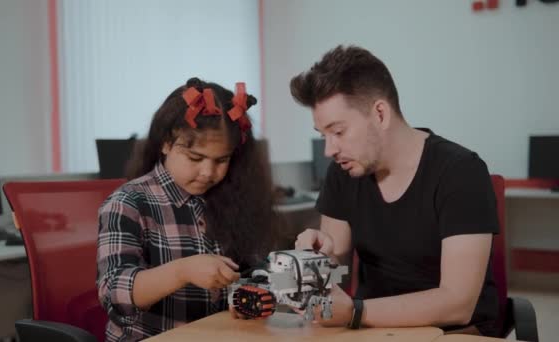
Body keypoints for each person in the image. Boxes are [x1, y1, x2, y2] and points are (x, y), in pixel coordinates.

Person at [290, 45, 500, 337]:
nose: (329, 149)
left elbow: (458, 303)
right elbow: (334, 264)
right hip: (372, 328)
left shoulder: (460, 171)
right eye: (323, 135)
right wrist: (317, 259)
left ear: (380, 113)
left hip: (455, 331)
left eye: (338, 132)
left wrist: (355, 311)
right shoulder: (343, 172)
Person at [96, 77, 277, 341]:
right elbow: (114, 292)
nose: (208, 172)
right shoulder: (128, 203)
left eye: (221, 160)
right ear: (166, 143)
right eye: (195, 158)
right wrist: (183, 271)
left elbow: (253, 270)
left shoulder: (232, 198)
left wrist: (247, 294)